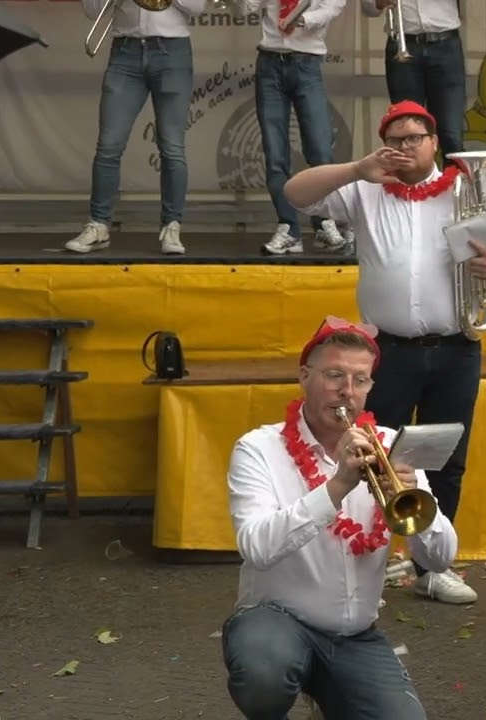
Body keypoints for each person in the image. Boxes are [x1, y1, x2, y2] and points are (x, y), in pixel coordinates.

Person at [283, 100, 486, 605]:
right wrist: (356, 168)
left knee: (445, 460)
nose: (404, 147)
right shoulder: (365, 189)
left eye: (415, 137)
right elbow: (294, 193)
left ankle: (433, 567)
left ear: (435, 142)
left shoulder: (465, 191)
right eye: (395, 138)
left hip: (456, 348)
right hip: (386, 352)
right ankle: (364, 558)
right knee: (370, 457)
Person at [223, 317, 456, 719]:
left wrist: (416, 505)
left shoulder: (392, 446)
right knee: (264, 676)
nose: (347, 391)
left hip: (353, 636)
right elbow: (256, 548)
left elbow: (440, 559)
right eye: (334, 376)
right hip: (276, 622)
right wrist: (337, 486)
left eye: (360, 380)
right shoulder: (258, 448)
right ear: (305, 376)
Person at [68, 0, 205, 255]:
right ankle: (99, 225)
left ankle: (171, 226)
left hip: (172, 51)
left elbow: (197, 8)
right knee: (109, 145)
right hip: (125, 52)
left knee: (172, 146)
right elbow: (91, 12)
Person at [243, 0, 353, 256]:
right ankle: (289, 228)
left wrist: (303, 19)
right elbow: (246, 8)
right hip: (269, 61)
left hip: (307, 62)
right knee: (275, 151)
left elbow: (333, 7)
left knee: (320, 150)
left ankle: (323, 223)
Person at [362, 0, 466, 156]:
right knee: (406, 131)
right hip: (402, 43)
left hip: (446, 44)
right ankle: (411, 180)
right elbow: (368, 8)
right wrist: (379, 2)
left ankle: (452, 180)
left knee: (451, 135)